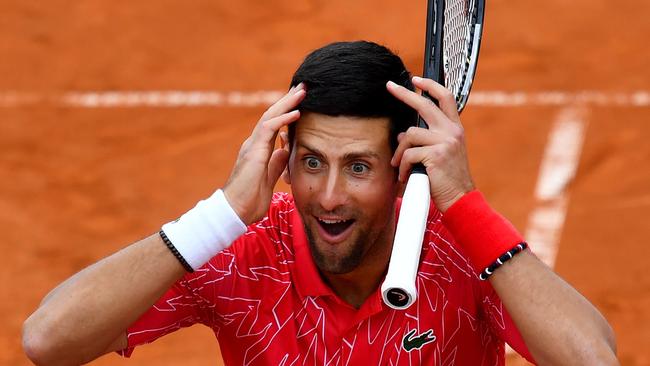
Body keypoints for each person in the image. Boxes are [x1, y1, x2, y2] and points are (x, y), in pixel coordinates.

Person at [22, 41, 618, 366]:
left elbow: (592, 360)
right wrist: (223, 214)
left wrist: (461, 202)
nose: (328, 196)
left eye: (358, 167)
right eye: (312, 162)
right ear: (283, 156)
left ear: (401, 166)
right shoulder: (241, 253)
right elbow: (49, 341)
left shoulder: (463, 252)